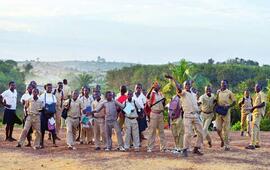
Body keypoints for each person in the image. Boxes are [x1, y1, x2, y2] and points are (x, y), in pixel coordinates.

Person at [173, 80, 204, 157]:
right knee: (188, 133)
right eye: (185, 84)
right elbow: (178, 89)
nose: (187, 85)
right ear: (184, 86)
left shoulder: (193, 94)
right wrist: (173, 79)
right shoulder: (183, 93)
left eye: (188, 84)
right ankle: (185, 149)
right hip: (187, 115)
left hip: (196, 115)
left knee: (201, 132)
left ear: (190, 85)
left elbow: (194, 103)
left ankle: (196, 148)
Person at [146, 81, 167, 153]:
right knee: (152, 132)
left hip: (160, 114)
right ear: (154, 87)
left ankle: (163, 147)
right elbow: (147, 97)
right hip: (154, 114)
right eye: (157, 86)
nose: (159, 87)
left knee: (161, 131)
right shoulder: (152, 93)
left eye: (159, 85)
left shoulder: (161, 94)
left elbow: (163, 104)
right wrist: (152, 88)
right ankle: (150, 147)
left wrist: (164, 101)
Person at [215, 80, 236, 151]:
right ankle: (222, 139)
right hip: (219, 112)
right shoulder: (218, 92)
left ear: (227, 84)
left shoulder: (229, 92)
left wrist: (229, 106)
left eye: (224, 83)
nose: (223, 84)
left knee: (226, 129)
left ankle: (227, 145)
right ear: (220, 84)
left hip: (226, 112)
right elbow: (216, 100)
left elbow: (234, 102)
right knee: (218, 129)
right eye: (222, 83)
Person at [246, 84, 266, 149]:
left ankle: (252, 144)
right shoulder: (256, 95)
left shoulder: (261, 94)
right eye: (255, 87)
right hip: (255, 113)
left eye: (257, 87)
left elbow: (263, 104)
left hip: (258, 113)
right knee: (257, 128)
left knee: (254, 128)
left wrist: (254, 107)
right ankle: (257, 143)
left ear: (261, 87)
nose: (256, 88)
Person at [39, 83, 57, 148]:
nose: (50, 89)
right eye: (48, 87)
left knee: (52, 129)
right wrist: (44, 109)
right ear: (45, 88)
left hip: (51, 115)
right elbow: (40, 104)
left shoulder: (53, 96)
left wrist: (52, 112)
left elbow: (54, 104)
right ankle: (41, 143)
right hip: (44, 114)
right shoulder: (42, 96)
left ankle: (54, 142)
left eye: (50, 87)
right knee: (42, 129)